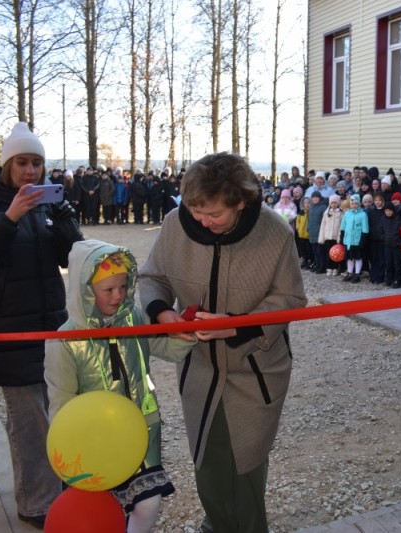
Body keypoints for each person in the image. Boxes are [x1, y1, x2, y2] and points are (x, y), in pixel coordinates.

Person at [138, 152, 307, 532]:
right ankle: (217, 523)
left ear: (241, 201)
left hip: (256, 372)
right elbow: (151, 278)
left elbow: (291, 299)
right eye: (196, 211)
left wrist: (237, 326)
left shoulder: (275, 233)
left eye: (214, 214)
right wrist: (162, 312)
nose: (202, 221)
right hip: (199, 370)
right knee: (209, 465)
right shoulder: (174, 225)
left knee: (245, 466)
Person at [0, 122, 83, 527]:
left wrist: (64, 220)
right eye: (22, 162)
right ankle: (35, 502)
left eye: (37, 163)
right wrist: (11, 216)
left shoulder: (47, 205)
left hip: (52, 327)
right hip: (11, 331)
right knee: (29, 422)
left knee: (60, 413)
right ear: (6, 165)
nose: (30, 171)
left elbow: (72, 257)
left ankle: (64, 489)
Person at [45, 240, 195, 532]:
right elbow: (61, 402)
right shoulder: (64, 341)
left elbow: (165, 347)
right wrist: (70, 448)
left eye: (123, 287)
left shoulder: (134, 319)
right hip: (95, 443)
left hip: (140, 432)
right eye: (108, 290)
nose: (118, 296)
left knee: (149, 502)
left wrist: (188, 335)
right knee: (101, 510)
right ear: (86, 290)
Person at [340, 193, 370, 283]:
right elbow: (343, 226)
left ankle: (357, 274)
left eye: (356, 203)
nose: (354, 205)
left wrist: (362, 241)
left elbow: (365, 229)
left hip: (357, 240)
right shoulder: (347, 214)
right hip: (348, 240)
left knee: (358, 257)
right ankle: (349, 273)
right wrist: (342, 237)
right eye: (352, 203)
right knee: (349, 258)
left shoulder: (363, 215)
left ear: (359, 204)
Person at [319, 193, 344, 276]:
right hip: (328, 237)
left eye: (335, 203)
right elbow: (323, 225)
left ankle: (335, 268)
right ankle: (329, 268)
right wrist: (321, 238)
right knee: (329, 253)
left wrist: (339, 238)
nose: (333, 204)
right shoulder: (326, 213)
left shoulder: (341, 213)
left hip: (335, 237)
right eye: (332, 203)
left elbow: (341, 226)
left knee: (336, 254)